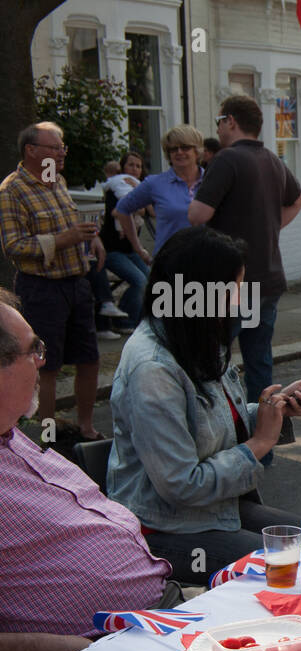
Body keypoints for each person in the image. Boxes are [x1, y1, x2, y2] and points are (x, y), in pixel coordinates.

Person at [106, 227, 301, 586]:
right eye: (234, 288)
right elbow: (181, 486)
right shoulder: (153, 367)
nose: (240, 300)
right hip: (163, 527)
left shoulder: (194, 337)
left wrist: (275, 410)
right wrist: (260, 443)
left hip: (212, 510)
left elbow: (219, 423)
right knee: (294, 569)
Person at [0, 288, 176, 651]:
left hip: (160, 611)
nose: (42, 365)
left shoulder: (12, 434)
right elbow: (181, 482)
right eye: (35, 351)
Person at [188, 96, 301, 402]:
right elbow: (297, 200)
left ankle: (217, 433)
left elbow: (197, 215)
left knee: (210, 362)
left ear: (230, 121)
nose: (219, 128)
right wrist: (269, 225)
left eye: (219, 121)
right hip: (268, 279)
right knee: (259, 365)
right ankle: (261, 444)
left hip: (231, 283)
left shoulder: (226, 159)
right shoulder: (272, 159)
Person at [0, 122, 107, 441]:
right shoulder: (12, 190)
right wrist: (63, 239)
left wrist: (92, 238)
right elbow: (13, 246)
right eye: (55, 148)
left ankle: (86, 429)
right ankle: (48, 437)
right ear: (31, 151)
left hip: (77, 283)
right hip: (42, 288)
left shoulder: (57, 182)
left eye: (63, 148)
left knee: (90, 358)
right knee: (45, 365)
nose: (62, 153)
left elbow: (73, 222)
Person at [117, 124, 205, 257]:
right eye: (173, 149)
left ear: (197, 151)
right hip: (169, 263)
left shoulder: (212, 181)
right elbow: (123, 209)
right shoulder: (156, 183)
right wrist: (138, 248)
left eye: (185, 147)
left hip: (208, 264)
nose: (179, 152)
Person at [96, 149, 150, 331]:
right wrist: (137, 206)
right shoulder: (115, 188)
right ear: (122, 167)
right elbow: (118, 211)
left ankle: (132, 317)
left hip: (131, 249)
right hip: (111, 249)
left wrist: (137, 194)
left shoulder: (140, 187)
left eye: (138, 166)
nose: (135, 169)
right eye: (130, 165)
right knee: (139, 280)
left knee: (151, 278)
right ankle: (124, 321)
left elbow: (148, 210)